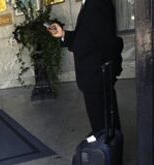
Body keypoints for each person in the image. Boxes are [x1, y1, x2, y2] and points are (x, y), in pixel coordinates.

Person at [46, 0, 123, 133]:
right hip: (94, 77)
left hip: (97, 76)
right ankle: (105, 145)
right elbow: (86, 37)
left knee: (104, 122)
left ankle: (107, 148)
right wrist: (63, 34)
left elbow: (106, 42)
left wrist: (110, 73)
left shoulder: (97, 4)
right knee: (101, 120)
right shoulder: (89, 4)